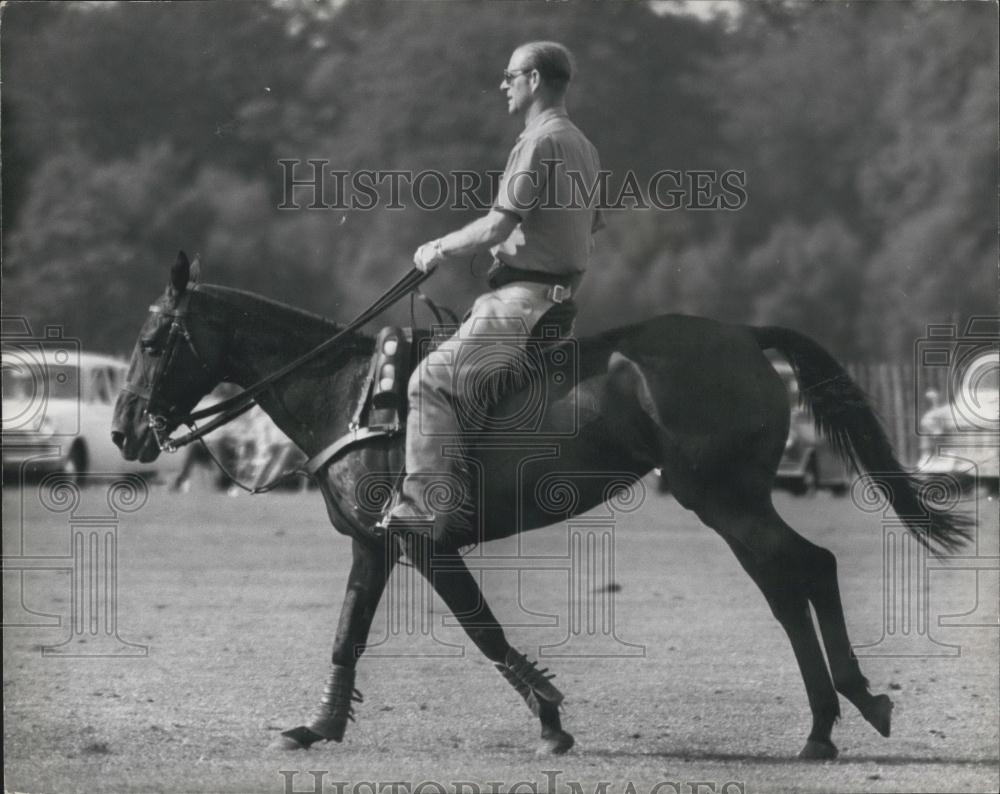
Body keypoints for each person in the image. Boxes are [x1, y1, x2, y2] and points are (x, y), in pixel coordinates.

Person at [382, 40, 604, 549]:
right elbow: (587, 234)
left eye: (510, 75)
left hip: (521, 304)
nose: (503, 85)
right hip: (556, 301)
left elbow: (495, 225)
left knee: (428, 382)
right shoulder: (583, 146)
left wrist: (439, 247)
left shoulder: (538, 141)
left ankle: (421, 512)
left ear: (535, 79)